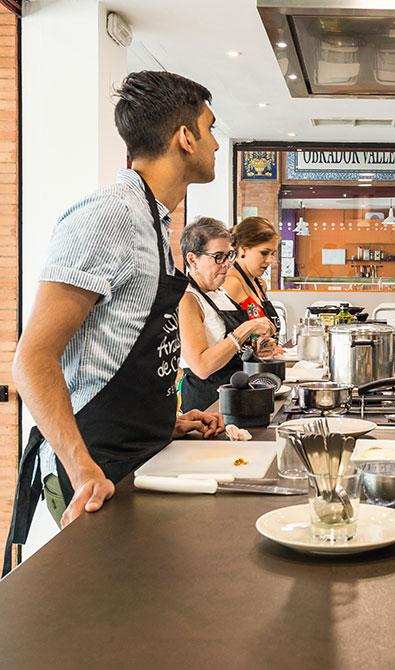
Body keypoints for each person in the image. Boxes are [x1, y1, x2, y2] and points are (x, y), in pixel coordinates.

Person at [6, 71, 225, 572]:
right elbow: (32, 359)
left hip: (142, 459)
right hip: (98, 473)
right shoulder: (109, 216)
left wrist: (165, 422)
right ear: (185, 137)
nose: (215, 141)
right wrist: (83, 473)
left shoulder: (154, 220)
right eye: (210, 127)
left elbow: (118, 346)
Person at [178, 217, 277, 412]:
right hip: (208, 405)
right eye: (218, 257)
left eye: (229, 255)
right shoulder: (188, 299)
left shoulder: (220, 293)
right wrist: (246, 329)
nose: (227, 264)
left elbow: (230, 351)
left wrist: (256, 350)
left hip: (236, 397)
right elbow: (202, 366)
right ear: (192, 259)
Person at [222, 216, 283, 358]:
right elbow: (230, 341)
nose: (270, 260)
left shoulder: (259, 283)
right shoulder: (231, 283)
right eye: (264, 253)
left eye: (273, 254)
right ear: (243, 249)